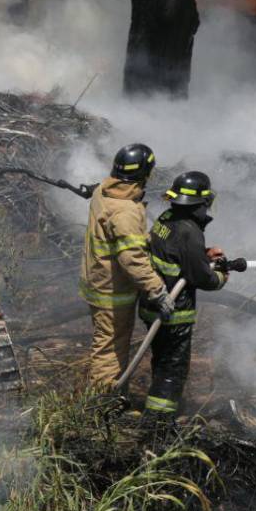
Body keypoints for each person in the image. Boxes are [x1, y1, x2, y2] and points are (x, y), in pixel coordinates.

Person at [139, 170, 229, 420]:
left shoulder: (167, 218)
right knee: (173, 369)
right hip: (174, 311)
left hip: (153, 302)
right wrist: (221, 277)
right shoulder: (190, 230)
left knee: (162, 360)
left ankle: (157, 415)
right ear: (202, 203)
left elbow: (176, 255)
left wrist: (202, 254)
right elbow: (201, 278)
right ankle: (158, 425)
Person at [80, 143, 172, 388]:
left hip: (98, 279)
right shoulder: (125, 212)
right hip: (112, 290)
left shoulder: (103, 191)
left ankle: (107, 395)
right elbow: (132, 257)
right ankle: (102, 404)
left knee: (109, 342)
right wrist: (156, 289)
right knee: (110, 347)